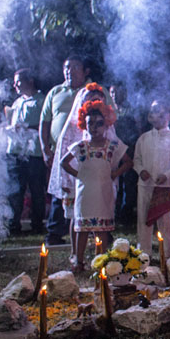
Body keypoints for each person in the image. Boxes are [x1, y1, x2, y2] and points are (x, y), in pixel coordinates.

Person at [48, 82, 118, 267]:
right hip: (78, 180)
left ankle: (99, 254)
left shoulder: (105, 124)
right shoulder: (73, 125)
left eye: (98, 98)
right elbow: (64, 155)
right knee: (76, 217)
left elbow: (114, 154)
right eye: (91, 98)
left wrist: (112, 175)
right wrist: (68, 179)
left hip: (99, 180)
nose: (94, 101)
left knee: (99, 215)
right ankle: (75, 253)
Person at [60, 100, 131, 272]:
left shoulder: (113, 145)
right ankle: (78, 260)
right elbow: (64, 162)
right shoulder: (81, 146)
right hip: (85, 192)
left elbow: (128, 162)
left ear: (107, 124)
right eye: (90, 123)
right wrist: (79, 175)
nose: (95, 128)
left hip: (103, 191)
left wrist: (115, 173)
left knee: (102, 228)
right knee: (82, 228)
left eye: (99, 124)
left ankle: (102, 260)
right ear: (84, 124)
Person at [39, 55, 91, 245]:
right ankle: (55, 232)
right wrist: (45, 149)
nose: (70, 71)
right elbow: (44, 122)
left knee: (89, 188)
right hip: (59, 151)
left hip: (87, 150)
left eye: (75, 67)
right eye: (67, 68)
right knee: (61, 190)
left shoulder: (92, 91)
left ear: (85, 71)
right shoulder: (55, 92)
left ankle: (95, 229)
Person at [134, 101, 170, 259]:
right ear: (150, 117)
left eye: (163, 115)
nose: (159, 118)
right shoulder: (143, 138)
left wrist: (167, 175)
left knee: (165, 222)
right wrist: (141, 171)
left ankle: (166, 255)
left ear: (169, 116)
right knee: (143, 220)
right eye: (156, 115)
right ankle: (144, 254)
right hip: (145, 185)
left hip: (165, 186)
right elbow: (137, 160)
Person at [5, 68, 47, 235]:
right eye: (14, 82)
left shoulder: (41, 101)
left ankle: (37, 225)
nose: (15, 85)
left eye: (19, 81)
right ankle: (14, 225)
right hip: (15, 152)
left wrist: (25, 127)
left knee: (37, 191)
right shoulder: (17, 102)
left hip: (34, 154)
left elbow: (45, 126)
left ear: (30, 81)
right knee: (15, 191)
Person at [110, 83, 140, 228]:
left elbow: (138, 129)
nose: (115, 95)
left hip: (128, 149)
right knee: (115, 184)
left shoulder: (132, 110)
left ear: (125, 94)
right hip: (113, 151)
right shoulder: (108, 110)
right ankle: (114, 214)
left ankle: (126, 215)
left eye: (118, 92)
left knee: (128, 184)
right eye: (112, 92)